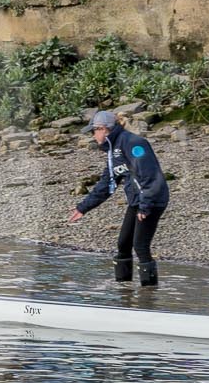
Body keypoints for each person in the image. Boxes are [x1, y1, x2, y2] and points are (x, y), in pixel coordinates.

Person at [67, 109, 169, 286]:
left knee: (140, 246)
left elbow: (150, 176)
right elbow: (106, 184)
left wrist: (145, 206)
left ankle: (149, 293)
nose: (93, 136)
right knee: (123, 244)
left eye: (93, 131)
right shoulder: (113, 150)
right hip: (137, 201)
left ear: (103, 129)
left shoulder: (134, 143)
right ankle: (124, 290)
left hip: (152, 199)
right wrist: (83, 208)